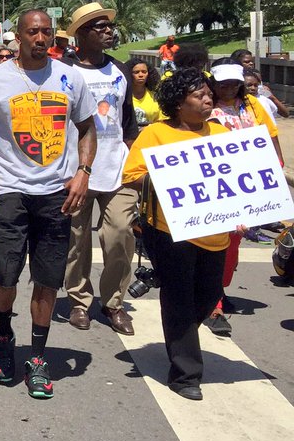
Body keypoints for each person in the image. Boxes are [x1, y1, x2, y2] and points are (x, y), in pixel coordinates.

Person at [0, 9, 96, 400]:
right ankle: (3, 332)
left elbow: (87, 128)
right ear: (18, 36)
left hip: (56, 192)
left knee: (48, 278)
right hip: (9, 190)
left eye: (46, 31)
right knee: (6, 272)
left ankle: (36, 356)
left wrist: (83, 171)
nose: (40, 37)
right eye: (33, 31)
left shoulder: (71, 77)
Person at [122, 69, 234, 400]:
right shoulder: (157, 134)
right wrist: (169, 180)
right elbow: (132, 175)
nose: (207, 98)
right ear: (178, 103)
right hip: (169, 232)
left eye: (208, 93)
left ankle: (179, 337)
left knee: (207, 295)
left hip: (216, 233)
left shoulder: (221, 132)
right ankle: (185, 374)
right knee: (180, 299)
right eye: (198, 94)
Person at [61, 4, 140, 335]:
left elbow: (128, 122)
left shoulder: (120, 70)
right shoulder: (62, 71)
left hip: (116, 169)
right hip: (74, 170)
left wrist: (139, 165)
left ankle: (113, 302)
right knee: (75, 240)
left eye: (110, 26)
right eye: (99, 27)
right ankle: (80, 301)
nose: (109, 31)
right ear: (81, 34)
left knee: (120, 233)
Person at [203, 60, 282, 337]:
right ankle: (213, 304)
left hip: (246, 184)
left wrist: (277, 166)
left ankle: (218, 290)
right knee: (214, 240)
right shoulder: (204, 106)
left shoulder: (253, 106)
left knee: (233, 243)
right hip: (213, 183)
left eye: (233, 84)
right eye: (222, 84)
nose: (227, 88)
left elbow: (270, 136)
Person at [232, 49, 288, 117]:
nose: (251, 63)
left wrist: (272, 97)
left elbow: (285, 113)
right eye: (247, 62)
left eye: (256, 84)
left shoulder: (261, 94)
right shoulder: (232, 94)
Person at [126, 57, 161, 126]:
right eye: (136, 72)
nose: (141, 75)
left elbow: (162, 121)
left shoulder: (155, 96)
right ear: (129, 74)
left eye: (144, 72)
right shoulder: (123, 96)